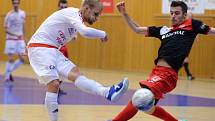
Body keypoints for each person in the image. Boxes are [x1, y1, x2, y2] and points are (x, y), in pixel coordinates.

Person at [108, 1, 215, 121]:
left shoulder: (192, 25)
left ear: (184, 15)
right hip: (156, 72)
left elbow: (212, 31)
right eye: (171, 13)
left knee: (140, 97)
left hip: (167, 75)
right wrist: (124, 13)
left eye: (177, 13)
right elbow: (137, 29)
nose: (173, 16)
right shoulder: (164, 30)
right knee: (147, 107)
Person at [27, 0, 129, 121]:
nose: (97, 18)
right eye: (95, 14)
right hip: (41, 48)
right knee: (54, 84)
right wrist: (103, 33)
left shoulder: (76, 21)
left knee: (76, 74)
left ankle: (107, 92)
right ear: (86, 8)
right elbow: (85, 32)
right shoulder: (72, 13)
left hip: (52, 50)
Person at [3, 0, 26, 82]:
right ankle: (7, 77)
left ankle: (8, 73)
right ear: (12, 4)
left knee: (23, 58)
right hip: (10, 39)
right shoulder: (9, 15)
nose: (16, 4)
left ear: (19, 3)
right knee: (10, 59)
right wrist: (15, 35)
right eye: (14, 3)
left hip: (20, 39)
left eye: (17, 3)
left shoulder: (23, 13)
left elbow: (23, 26)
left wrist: (25, 37)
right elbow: (5, 29)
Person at [57, 0, 69, 96]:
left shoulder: (68, 18)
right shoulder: (55, 18)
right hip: (55, 48)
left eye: (65, 7)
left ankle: (57, 87)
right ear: (58, 7)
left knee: (63, 71)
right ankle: (54, 88)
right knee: (58, 69)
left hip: (63, 47)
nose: (63, 9)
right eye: (61, 7)